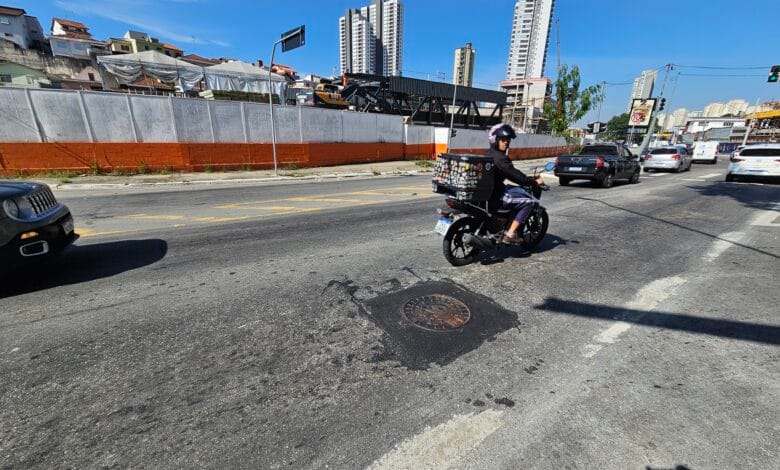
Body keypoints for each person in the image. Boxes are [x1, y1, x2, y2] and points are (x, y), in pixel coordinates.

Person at [485, 123, 544, 245]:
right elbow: (514, 175)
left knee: (514, 190)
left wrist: (526, 179)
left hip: (489, 193)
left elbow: (513, 174)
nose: (506, 143)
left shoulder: (489, 153)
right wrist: (533, 182)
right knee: (530, 201)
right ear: (495, 140)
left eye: (508, 140)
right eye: (503, 140)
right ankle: (510, 234)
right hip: (496, 196)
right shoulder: (501, 158)